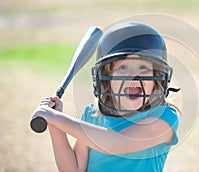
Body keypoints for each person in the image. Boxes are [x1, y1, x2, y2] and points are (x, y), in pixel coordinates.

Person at [32, 22, 181, 172]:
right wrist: (54, 124)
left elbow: (115, 143)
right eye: (122, 67)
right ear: (107, 79)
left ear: (158, 77)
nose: (134, 76)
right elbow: (73, 169)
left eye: (143, 68)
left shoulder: (164, 117)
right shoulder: (92, 115)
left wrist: (56, 118)